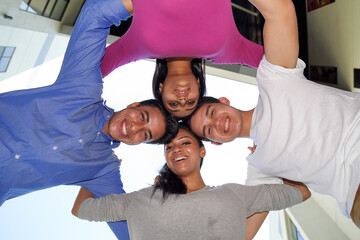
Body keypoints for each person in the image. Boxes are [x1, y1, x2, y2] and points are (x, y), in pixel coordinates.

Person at [0, 0, 177, 239]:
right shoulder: (82, 88)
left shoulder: (103, 170)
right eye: (142, 117)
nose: (134, 128)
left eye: (144, 135)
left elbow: (128, 230)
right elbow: (94, 16)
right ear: (134, 105)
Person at [188, 0, 360, 228]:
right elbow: (243, 232)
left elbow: (280, 11)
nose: (216, 122)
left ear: (223, 101)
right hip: (353, 191)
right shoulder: (260, 167)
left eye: (211, 112)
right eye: (209, 130)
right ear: (217, 142)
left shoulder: (272, 79)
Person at [72, 125, 311, 239]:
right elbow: (81, 210)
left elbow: (302, 192)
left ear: (202, 151)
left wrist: (271, 162)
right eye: (170, 147)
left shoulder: (235, 195)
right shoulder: (141, 199)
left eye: (185, 142)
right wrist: (101, 169)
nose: (176, 149)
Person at [100, 0, 264, 118]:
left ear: (161, 89)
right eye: (190, 102)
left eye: (173, 104)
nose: (182, 99)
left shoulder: (138, 48)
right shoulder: (224, 52)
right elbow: (282, 65)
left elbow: (87, 73)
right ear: (199, 86)